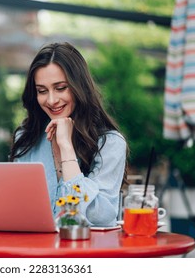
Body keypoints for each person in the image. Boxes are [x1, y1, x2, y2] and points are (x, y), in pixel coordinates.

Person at [9, 42, 129, 227]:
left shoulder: (110, 143)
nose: (51, 100)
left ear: (79, 87)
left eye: (60, 88)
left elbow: (98, 218)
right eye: (42, 91)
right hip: (33, 250)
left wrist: (66, 147)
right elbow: (15, 207)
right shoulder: (26, 139)